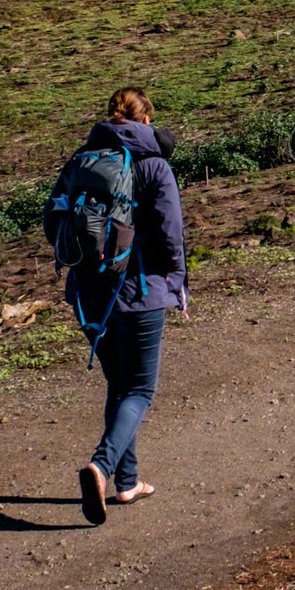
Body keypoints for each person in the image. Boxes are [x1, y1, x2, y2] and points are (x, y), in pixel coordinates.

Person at [75, 86, 187, 525]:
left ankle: (127, 482)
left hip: (89, 297)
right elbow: (170, 232)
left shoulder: (82, 160)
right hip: (140, 292)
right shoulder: (155, 165)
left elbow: (53, 220)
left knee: (119, 386)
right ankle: (102, 467)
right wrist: (177, 283)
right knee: (139, 390)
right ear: (146, 121)